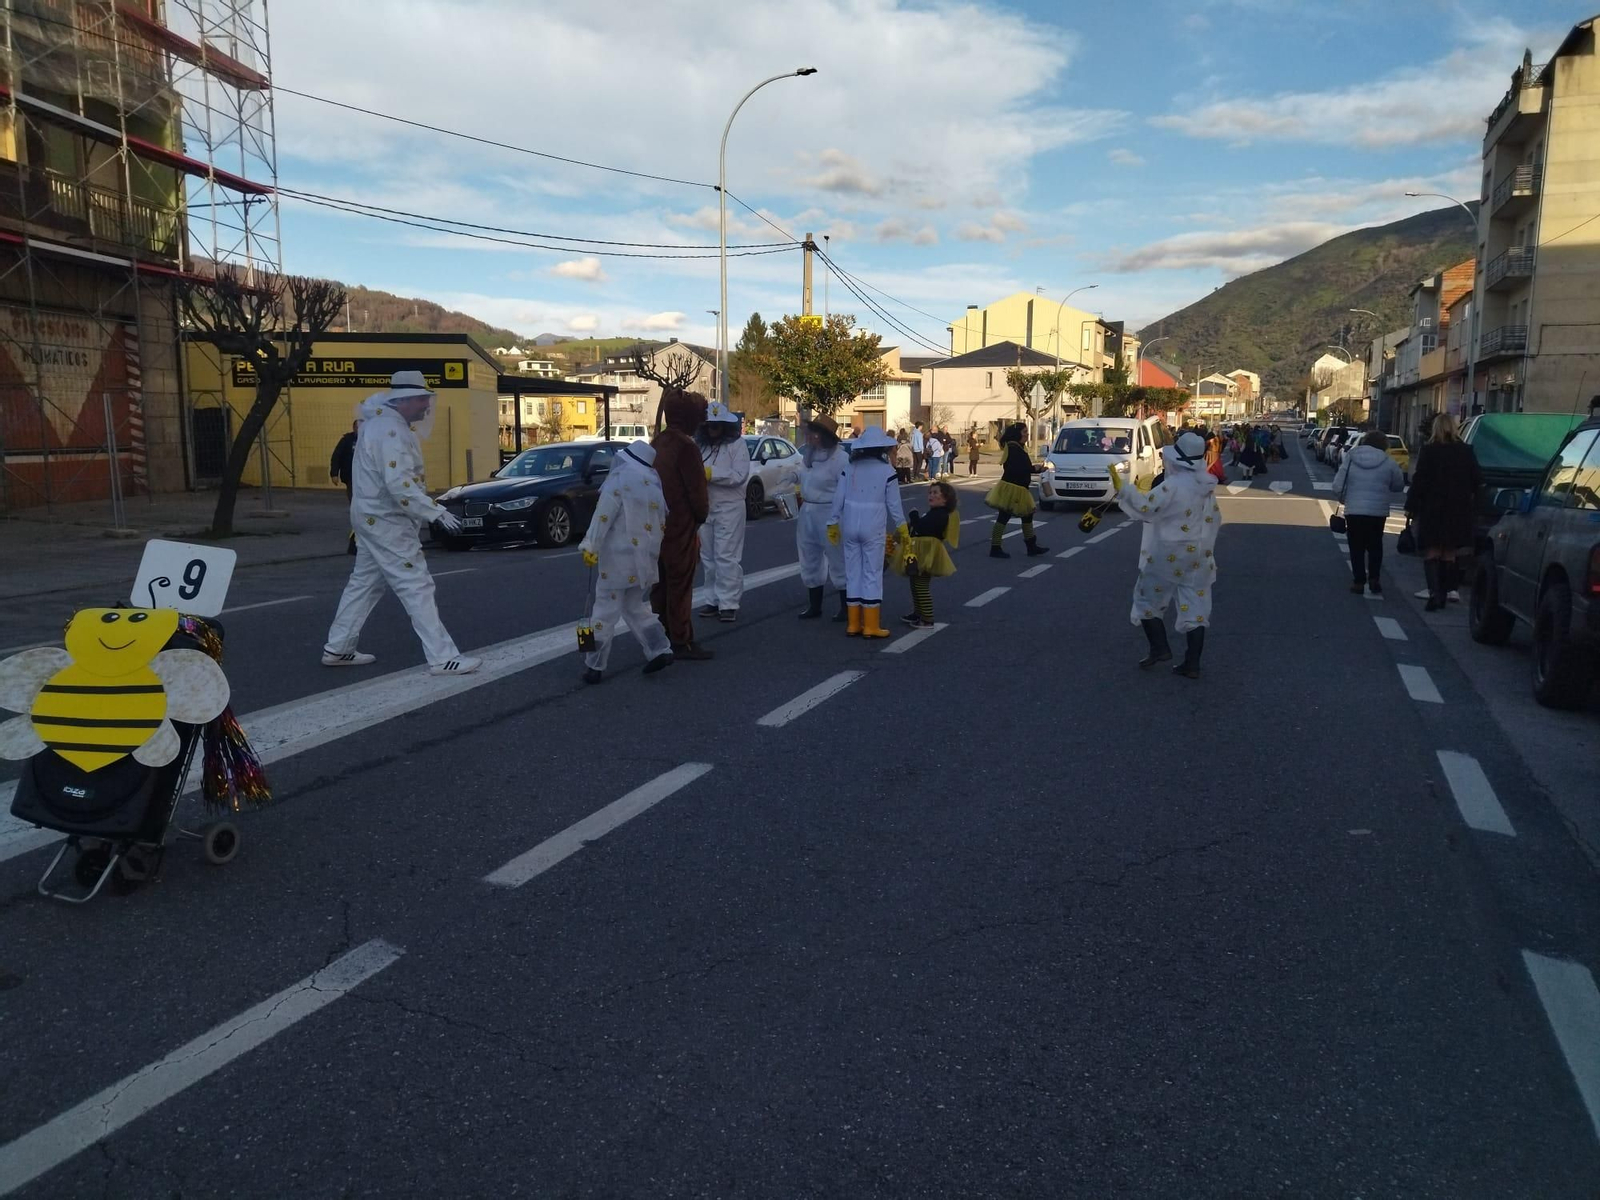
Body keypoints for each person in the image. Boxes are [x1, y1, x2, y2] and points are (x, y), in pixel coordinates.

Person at [322, 371, 479, 675]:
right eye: (422, 399)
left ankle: (339, 647)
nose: (426, 406)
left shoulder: (378, 424)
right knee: (416, 584)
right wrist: (435, 512)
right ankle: (442, 657)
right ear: (404, 400)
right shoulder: (390, 430)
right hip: (387, 519)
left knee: (365, 583)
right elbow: (399, 484)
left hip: (371, 515)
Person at [1115, 429, 1221, 679]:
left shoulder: (1172, 485)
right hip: (1199, 556)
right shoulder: (1205, 485)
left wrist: (1125, 490)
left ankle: (1160, 647)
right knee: (1196, 608)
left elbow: (1145, 506)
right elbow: (1214, 519)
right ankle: (1192, 664)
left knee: (1145, 599)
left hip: (1169, 552)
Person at [577, 440, 674, 684]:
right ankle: (660, 648)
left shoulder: (619, 480)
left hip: (616, 560)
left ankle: (594, 665)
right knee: (635, 607)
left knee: (604, 610)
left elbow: (603, 516)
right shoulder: (653, 485)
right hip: (644, 563)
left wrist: (591, 544)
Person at [828, 425, 908, 639]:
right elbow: (894, 505)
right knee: (872, 574)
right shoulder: (887, 471)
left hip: (849, 524)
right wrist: (903, 528)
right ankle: (871, 625)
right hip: (873, 527)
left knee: (852, 572)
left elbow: (838, 498)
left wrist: (832, 522)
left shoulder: (850, 467)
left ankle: (853, 624)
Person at [651, 387, 714, 659]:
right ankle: (681, 639)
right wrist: (700, 517)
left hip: (655, 524)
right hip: (680, 525)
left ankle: (660, 635)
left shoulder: (657, 442)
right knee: (680, 585)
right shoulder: (687, 447)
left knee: (659, 583)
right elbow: (697, 493)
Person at [775, 413, 849, 621]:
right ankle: (814, 605)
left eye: (813, 433)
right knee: (809, 556)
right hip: (808, 511)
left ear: (823, 436)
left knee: (837, 557)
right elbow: (801, 472)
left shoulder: (841, 459)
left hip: (831, 512)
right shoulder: (809, 455)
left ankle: (846, 606)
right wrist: (790, 477)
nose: (808, 436)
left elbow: (848, 489)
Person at [1404, 412, 1481, 611]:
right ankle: (1446, 592)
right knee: (1450, 553)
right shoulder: (1466, 451)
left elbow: (1419, 481)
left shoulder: (1429, 451)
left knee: (1432, 552)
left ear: (1435, 429)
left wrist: (1411, 506)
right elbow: (1477, 479)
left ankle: (1434, 593)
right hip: (1458, 510)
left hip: (1433, 509)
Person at [1332, 429, 1405, 596]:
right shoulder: (1388, 461)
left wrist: (1345, 499)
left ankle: (1358, 581)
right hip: (1377, 511)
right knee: (1375, 546)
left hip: (1354, 510)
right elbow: (1399, 485)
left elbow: (1337, 485)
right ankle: (1374, 579)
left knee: (1356, 546)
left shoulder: (1351, 457)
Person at [697, 401, 750, 623]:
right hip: (707, 507)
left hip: (730, 507)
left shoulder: (738, 446)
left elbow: (739, 475)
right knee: (708, 557)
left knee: (726, 556)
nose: (712, 431)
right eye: (709, 426)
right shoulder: (702, 446)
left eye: (716, 427)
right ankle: (713, 600)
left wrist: (712, 473)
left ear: (726, 427)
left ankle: (729, 603)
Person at [894, 480, 959, 628]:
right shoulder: (934, 512)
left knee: (921, 585)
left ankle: (927, 618)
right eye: (930, 492)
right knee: (915, 583)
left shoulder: (941, 514)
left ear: (945, 499)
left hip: (926, 553)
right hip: (919, 550)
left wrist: (914, 516)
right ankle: (918, 612)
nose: (931, 495)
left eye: (936, 493)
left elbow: (922, 528)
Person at [985, 421, 1048, 559]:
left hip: (1019, 488)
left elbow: (1021, 467)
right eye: (1024, 432)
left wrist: (1035, 469)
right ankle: (995, 547)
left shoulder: (1017, 447)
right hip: (1013, 488)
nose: (1027, 435)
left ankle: (1031, 546)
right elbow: (1014, 468)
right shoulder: (1013, 448)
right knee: (1004, 517)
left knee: (1026, 516)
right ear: (1017, 433)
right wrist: (1034, 469)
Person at [330, 420, 360, 555]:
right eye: (358, 427)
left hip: (369, 479)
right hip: (352, 477)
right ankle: (356, 530)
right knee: (355, 504)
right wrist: (334, 473)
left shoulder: (372, 440)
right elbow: (336, 456)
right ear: (354, 428)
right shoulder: (347, 441)